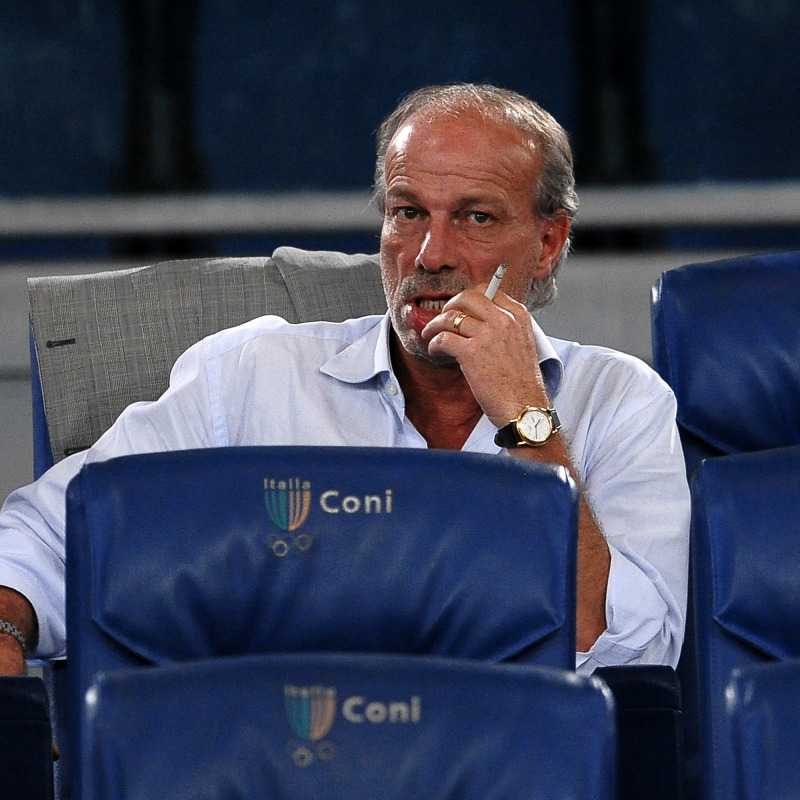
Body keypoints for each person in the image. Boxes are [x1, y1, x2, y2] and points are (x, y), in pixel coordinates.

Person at [0, 83, 689, 678]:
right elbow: (57, 531)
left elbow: (636, 655)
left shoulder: (617, 400)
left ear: (546, 244)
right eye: (408, 212)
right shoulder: (256, 376)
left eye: (476, 217)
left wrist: (528, 421)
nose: (431, 253)